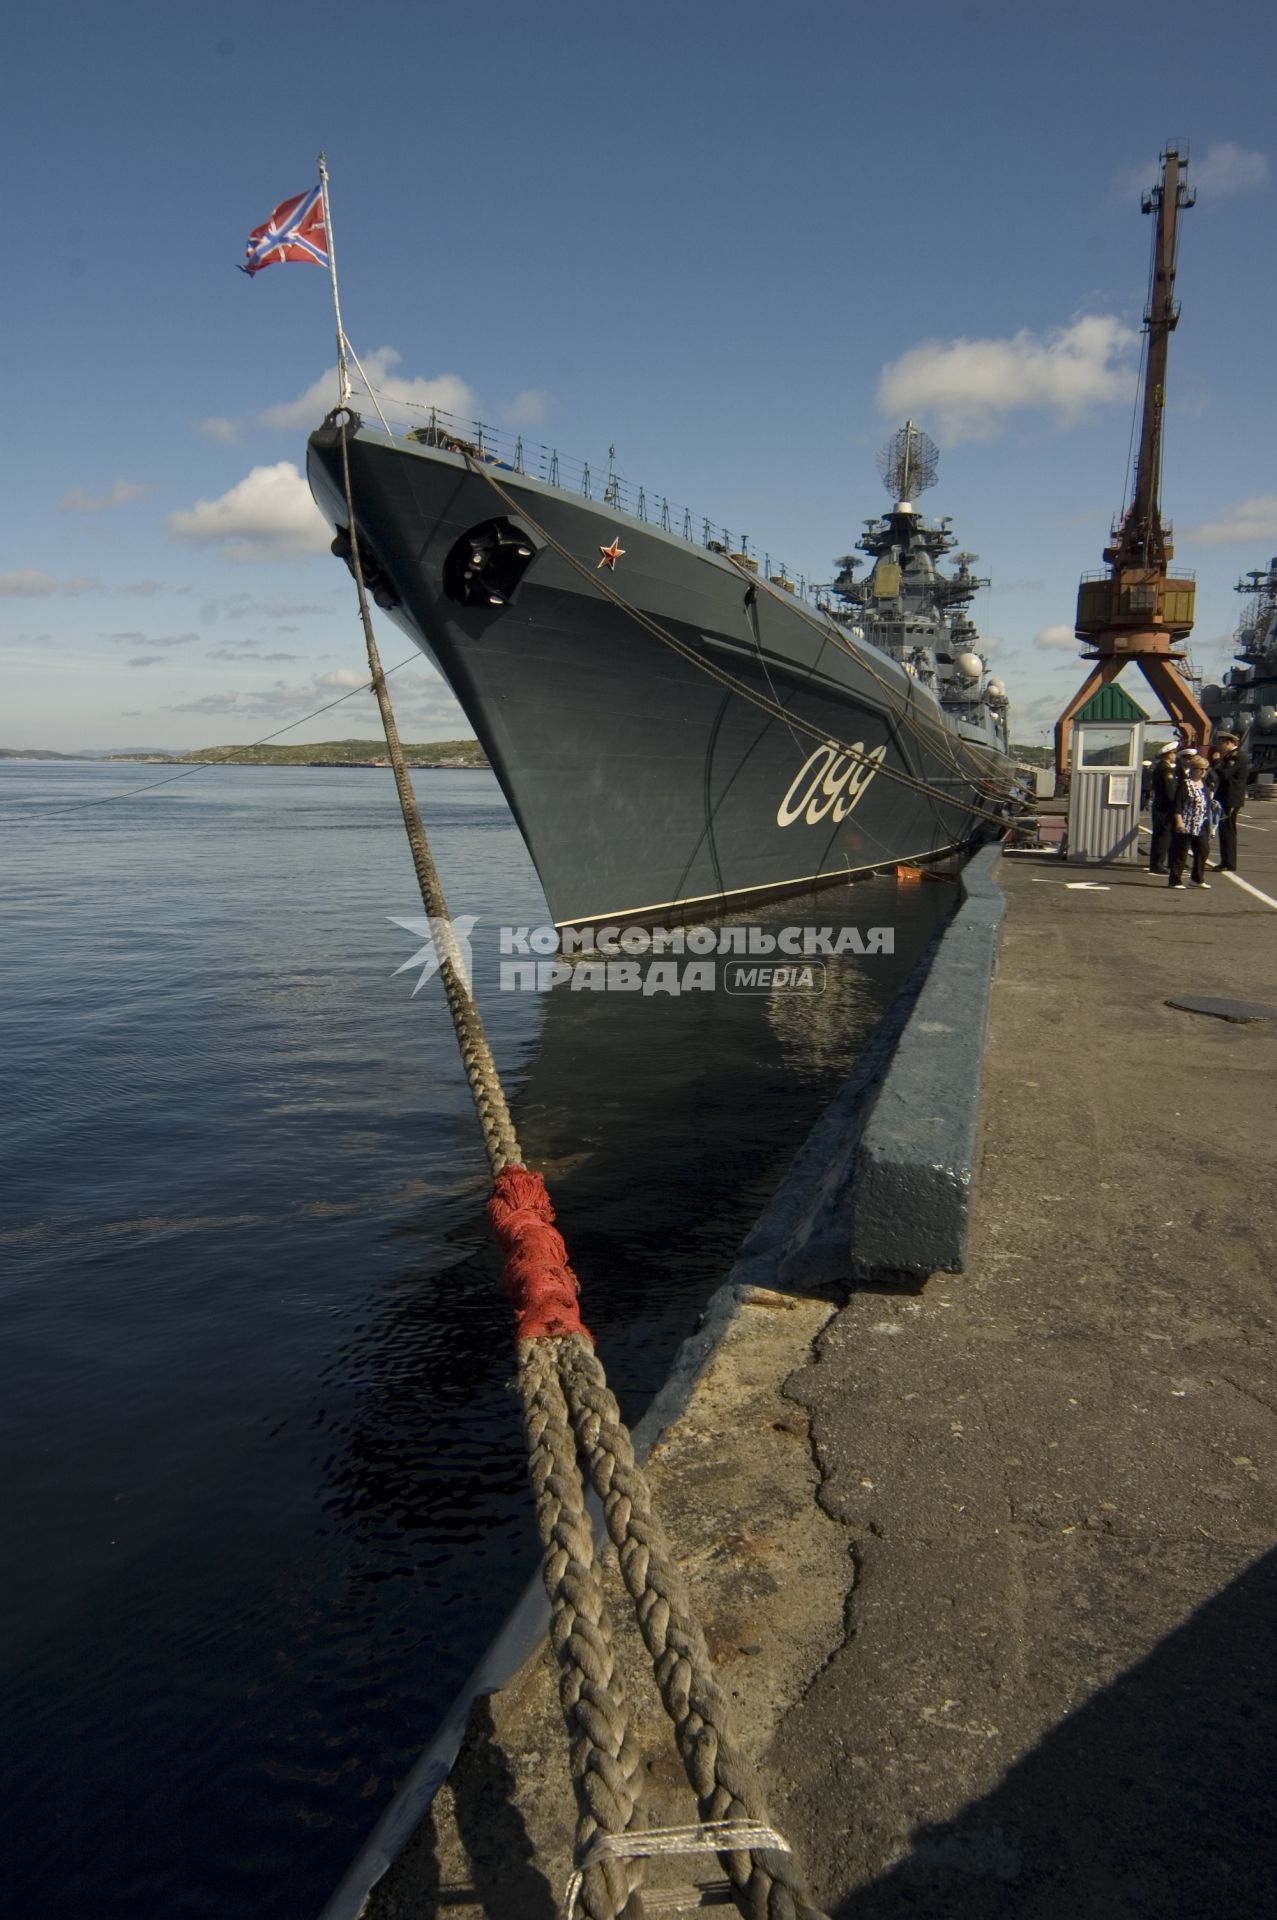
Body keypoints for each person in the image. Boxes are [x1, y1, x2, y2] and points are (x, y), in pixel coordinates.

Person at [1168, 755, 1213, 889]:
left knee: (1203, 851)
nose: (1203, 772)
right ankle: (1175, 880)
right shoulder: (1185, 784)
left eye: (1206, 769)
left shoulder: (1205, 785)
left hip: (1201, 823)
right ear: (1193, 769)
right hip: (1187, 823)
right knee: (1181, 852)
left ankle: (1197, 878)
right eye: (1201, 769)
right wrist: (1179, 822)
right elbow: (1178, 805)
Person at [1212, 729, 1250, 872]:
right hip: (1226, 798)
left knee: (1228, 831)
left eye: (1220, 744)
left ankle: (1229, 862)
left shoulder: (1236, 757)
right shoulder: (1230, 756)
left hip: (1231, 799)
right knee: (1224, 830)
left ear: (1228, 743)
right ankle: (1226, 860)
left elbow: (1226, 775)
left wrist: (1216, 761)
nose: (1218, 747)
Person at [1148, 742, 1179, 874]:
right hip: (1165, 808)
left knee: (1159, 835)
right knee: (1163, 836)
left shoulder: (1159, 768)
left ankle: (1156, 862)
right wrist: (1177, 806)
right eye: (1174, 753)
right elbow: (1170, 791)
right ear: (1169, 754)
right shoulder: (1166, 770)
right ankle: (1158, 864)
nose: (1175, 756)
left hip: (1159, 806)